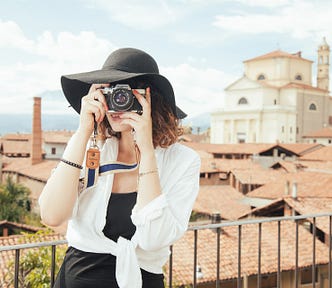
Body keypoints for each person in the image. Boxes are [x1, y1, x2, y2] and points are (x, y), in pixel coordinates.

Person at [39, 47, 200, 288]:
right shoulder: (90, 147)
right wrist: (83, 130)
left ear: (149, 98)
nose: (117, 100)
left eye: (125, 92)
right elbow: (52, 215)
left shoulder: (183, 161)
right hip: (78, 278)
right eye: (108, 91)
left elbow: (154, 238)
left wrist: (146, 149)